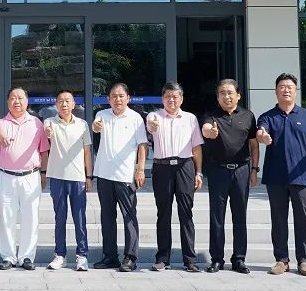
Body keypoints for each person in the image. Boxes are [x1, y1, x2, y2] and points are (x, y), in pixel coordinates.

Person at [256, 73, 306, 277]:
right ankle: (281, 260)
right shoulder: (267, 116)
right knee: (278, 219)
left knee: (303, 219)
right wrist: (263, 137)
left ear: (295, 91)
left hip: (301, 177)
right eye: (282, 87)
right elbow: (261, 132)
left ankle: (304, 260)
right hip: (275, 177)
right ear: (276, 91)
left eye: (290, 87)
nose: (286, 90)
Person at [200, 79, 258, 275]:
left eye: (230, 92)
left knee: (240, 215)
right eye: (222, 93)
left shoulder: (248, 116)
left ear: (238, 95)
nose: (226, 96)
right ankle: (216, 258)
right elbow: (206, 129)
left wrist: (254, 169)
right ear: (217, 97)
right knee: (217, 216)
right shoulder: (211, 115)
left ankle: (239, 258)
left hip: (241, 170)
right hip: (218, 171)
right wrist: (210, 132)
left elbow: (254, 145)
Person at [146, 81, 204, 272]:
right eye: (167, 96)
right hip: (162, 168)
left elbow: (196, 147)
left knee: (186, 212)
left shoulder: (190, 118)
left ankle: (190, 259)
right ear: (162, 99)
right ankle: (163, 258)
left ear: (181, 98)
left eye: (175, 96)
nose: (171, 100)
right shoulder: (154, 116)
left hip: (185, 166)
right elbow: (151, 127)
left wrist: (198, 172)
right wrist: (153, 125)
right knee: (163, 213)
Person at [92, 83, 148, 272]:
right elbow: (96, 128)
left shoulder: (135, 118)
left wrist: (140, 169)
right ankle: (110, 257)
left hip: (126, 175)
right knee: (107, 217)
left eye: (121, 96)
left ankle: (130, 258)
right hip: (104, 174)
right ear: (108, 99)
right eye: (114, 96)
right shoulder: (101, 115)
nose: (118, 99)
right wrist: (95, 126)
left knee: (129, 216)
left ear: (128, 98)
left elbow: (142, 145)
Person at [0, 87, 50, 270]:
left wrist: (44, 174)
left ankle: (27, 256)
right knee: (6, 218)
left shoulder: (37, 124)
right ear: (7, 101)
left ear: (27, 101)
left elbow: (44, 151)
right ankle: (8, 257)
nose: (16, 101)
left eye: (20, 98)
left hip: (30, 177)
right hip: (5, 176)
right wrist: (2, 135)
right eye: (12, 98)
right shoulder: (1, 122)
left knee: (30, 218)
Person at [43, 90, 92, 272]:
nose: (64, 104)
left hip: (77, 177)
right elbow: (46, 135)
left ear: (73, 104)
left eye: (67, 101)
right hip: (57, 177)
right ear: (56, 104)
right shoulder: (50, 122)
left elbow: (87, 152)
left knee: (80, 218)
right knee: (60, 218)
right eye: (60, 101)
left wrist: (89, 176)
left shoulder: (82, 124)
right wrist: (48, 132)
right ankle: (60, 255)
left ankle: (82, 255)